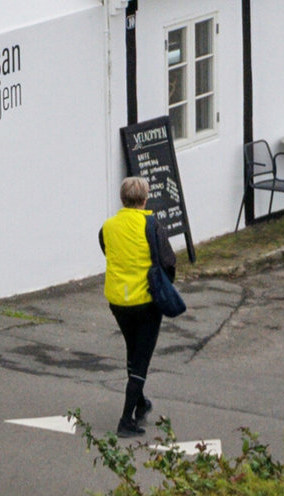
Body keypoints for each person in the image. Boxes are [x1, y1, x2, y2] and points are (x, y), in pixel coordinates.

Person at [99, 175, 177, 437]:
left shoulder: (108, 227)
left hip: (117, 301)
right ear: (145, 199)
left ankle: (141, 404)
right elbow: (169, 261)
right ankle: (125, 421)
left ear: (122, 199)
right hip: (144, 301)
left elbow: (107, 250)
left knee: (134, 351)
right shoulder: (151, 224)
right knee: (141, 360)